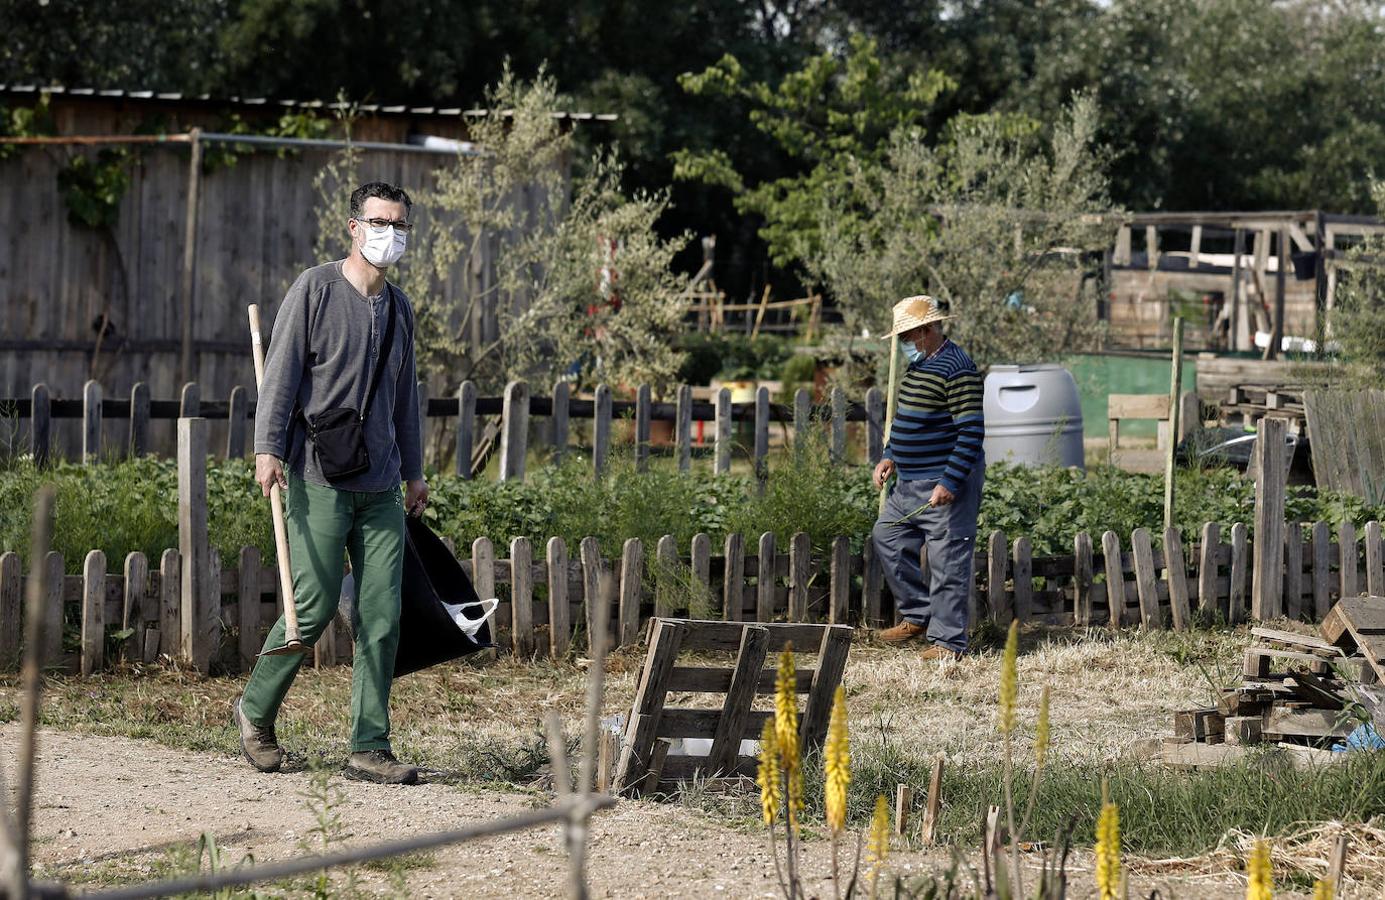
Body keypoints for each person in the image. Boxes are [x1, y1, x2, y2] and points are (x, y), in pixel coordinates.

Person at [234, 181, 428, 784]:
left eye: (398, 225)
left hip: (382, 486)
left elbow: (404, 401)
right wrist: (268, 448)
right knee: (311, 608)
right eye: (378, 222)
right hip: (318, 476)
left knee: (381, 613)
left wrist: (415, 472)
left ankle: (369, 745)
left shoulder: (399, 309)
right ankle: (256, 712)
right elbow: (283, 375)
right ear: (354, 226)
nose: (387, 234)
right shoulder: (315, 289)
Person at [871, 296, 985, 661]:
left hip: (943, 480)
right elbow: (906, 420)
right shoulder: (920, 367)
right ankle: (918, 615)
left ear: (926, 330)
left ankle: (949, 642)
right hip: (908, 482)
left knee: (947, 558)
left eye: (907, 336)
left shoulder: (958, 368)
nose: (904, 344)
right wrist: (890, 455)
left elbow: (970, 432)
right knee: (887, 534)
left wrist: (950, 482)